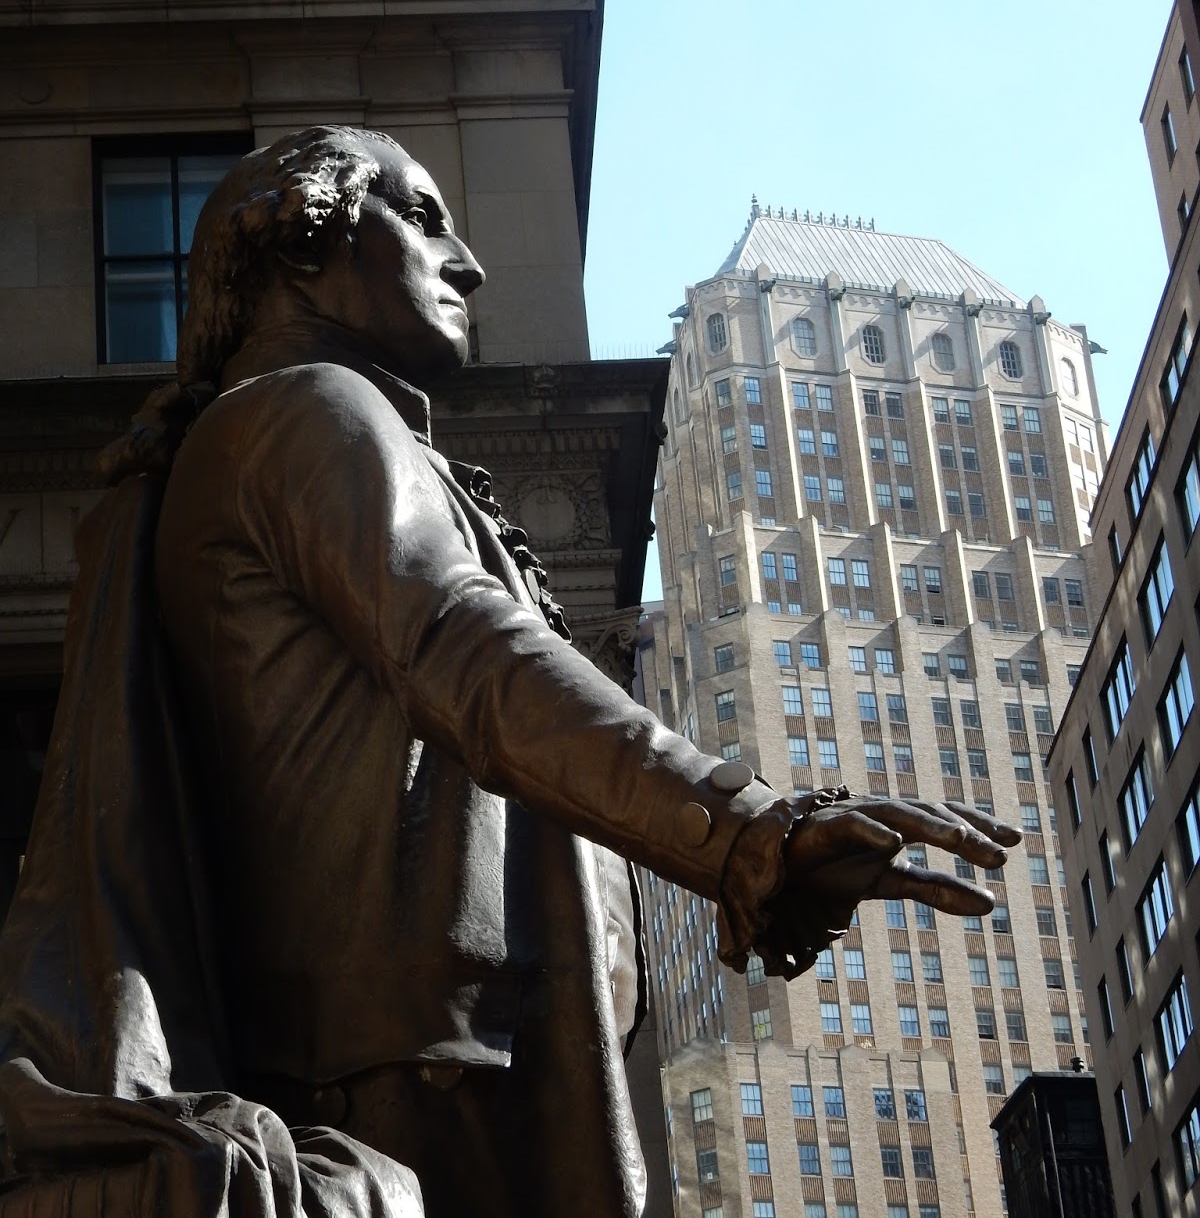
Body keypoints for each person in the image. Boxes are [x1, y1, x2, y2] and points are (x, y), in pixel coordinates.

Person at [0, 126, 1019, 1218]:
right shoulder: (304, 412)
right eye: (421, 217)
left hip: (441, 1045)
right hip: (416, 1059)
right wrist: (740, 830)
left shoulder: (294, 430)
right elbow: (469, 651)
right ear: (308, 243)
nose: (468, 261)